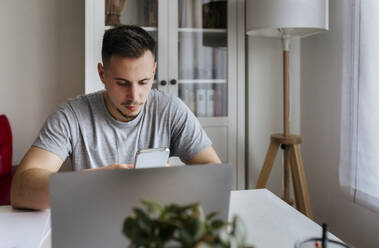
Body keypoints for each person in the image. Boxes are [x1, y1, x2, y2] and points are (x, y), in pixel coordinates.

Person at [11, 25, 221, 210]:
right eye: (122, 83)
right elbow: (20, 190)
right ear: (102, 74)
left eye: (144, 81)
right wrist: (95, 183)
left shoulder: (170, 110)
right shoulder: (71, 116)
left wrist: (171, 180)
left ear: (154, 70)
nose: (134, 96)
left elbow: (215, 174)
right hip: (93, 225)